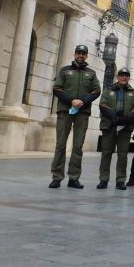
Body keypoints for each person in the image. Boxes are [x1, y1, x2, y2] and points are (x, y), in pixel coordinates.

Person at [49, 44, 102, 189]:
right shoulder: (65, 71)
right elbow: (57, 88)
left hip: (82, 114)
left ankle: (74, 178)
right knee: (60, 145)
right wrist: (71, 101)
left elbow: (97, 91)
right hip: (65, 112)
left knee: (78, 146)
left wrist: (82, 101)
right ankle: (57, 177)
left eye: (83, 53)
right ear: (74, 54)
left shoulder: (91, 73)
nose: (81, 55)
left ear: (86, 56)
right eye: (78, 53)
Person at [96, 68, 134, 190]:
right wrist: (114, 116)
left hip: (125, 128)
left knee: (122, 155)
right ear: (118, 76)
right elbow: (102, 105)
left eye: (126, 75)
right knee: (106, 153)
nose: (124, 77)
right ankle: (103, 179)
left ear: (129, 78)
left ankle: (120, 180)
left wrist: (126, 118)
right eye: (122, 75)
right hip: (109, 125)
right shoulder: (108, 90)